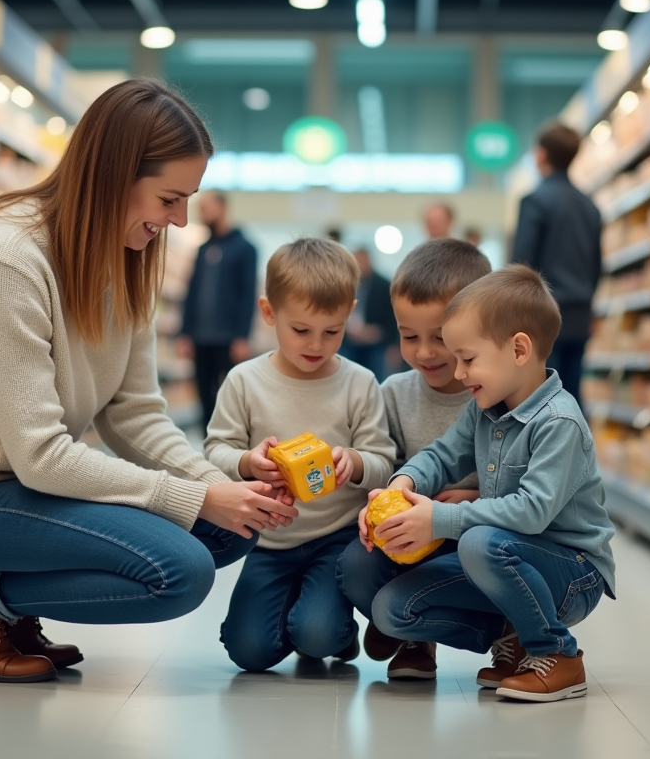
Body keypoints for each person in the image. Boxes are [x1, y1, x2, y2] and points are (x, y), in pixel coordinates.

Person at [0, 79, 298, 684]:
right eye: (168, 199)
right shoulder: (4, 261)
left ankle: (6, 605)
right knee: (180, 570)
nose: (180, 220)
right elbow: (41, 456)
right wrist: (199, 495)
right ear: (114, 176)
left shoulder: (123, 260)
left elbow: (135, 414)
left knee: (230, 528)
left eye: (189, 200)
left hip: (27, 492)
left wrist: (221, 486)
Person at [358, 265, 616, 703]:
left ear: (518, 349)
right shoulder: (484, 410)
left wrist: (439, 519)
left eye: (468, 358)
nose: (459, 373)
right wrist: (401, 485)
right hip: (502, 562)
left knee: (477, 542)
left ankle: (557, 654)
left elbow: (531, 512)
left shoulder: (559, 423)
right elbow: (442, 455)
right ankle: (512, 637)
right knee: (391, 610)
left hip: (572, 575)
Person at [204, 238, 397, 672]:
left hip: (337, 539)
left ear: (349, 311)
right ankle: (301, 611)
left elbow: (384, 459)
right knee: (248, 652)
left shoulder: (360, 382)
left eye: (332, 331)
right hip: (268, 541)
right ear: (269, 312)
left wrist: (357, 461)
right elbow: (214, 450)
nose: (316, 345)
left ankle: (334, 631)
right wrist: (246, 463)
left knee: (318, 636)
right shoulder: (244, 381)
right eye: (301, 330)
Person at [337, 238, 491, 681]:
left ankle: (505, 633)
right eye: (409, 336)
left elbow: (522, 478)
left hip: (481, 534)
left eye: (440, 338)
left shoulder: (496, 395)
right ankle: (413, 635)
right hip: (411, 536)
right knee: (354, 565)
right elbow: (387, 463)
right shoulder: (394, 394)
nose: (424, 352)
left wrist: (470, 494)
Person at [510, 121, 603, 410]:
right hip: (579, 311)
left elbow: (523, 265)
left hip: (542, 315)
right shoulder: (590, 206)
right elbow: (597, 263)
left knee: (541, 394)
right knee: (572, 391)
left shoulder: (536, 201)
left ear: (541, 155)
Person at [178, 192, 258, 431]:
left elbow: (247, 294)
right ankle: (207, 445)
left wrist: (242, 336)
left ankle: (232, 443)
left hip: (229, 339)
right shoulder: (202, 249)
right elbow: (190, 293)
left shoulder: (245, 248)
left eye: (206, 208)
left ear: (222, 207)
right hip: (200, 339)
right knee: (204, 395)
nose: (201, 213)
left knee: (231, 396)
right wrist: (185, 332)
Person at [341, 247, 399, 381]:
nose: (360, 266)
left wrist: (377, 333)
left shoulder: (384, 285)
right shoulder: (345, 283)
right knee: (346, 377)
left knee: (375, 378)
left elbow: (393, 318)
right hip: (348, 339)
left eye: (362, 261)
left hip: (376, 342)